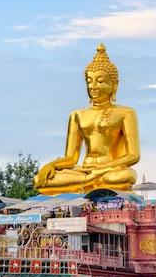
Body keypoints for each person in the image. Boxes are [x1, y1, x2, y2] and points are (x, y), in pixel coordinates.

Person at [34, 43, 141, 195]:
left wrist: (104, 168)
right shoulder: (77, 115)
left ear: (114, 85)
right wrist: (52, 165)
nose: (93, 86)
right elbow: (71, 158)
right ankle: (92, 181)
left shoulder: (126, 113)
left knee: (127, 176)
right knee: (40, 180)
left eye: (100, 81)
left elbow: (134, 155)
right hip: (84, 171)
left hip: (110, 170)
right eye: (89, 81)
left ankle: (93, 181)